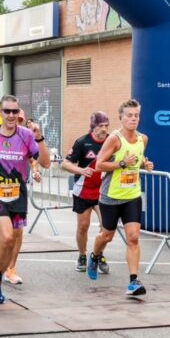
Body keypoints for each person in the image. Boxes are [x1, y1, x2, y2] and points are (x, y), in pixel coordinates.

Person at [0, 95, 50, 304]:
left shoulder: (26, 135)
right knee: (6, 237)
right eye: (7, 111)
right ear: (0, 112)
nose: (11, 115)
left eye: (15, 111)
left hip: (17, 192)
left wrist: (40, 138)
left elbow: (45, 162)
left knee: (12, 236)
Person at [88, 99, 154, 296]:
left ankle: (133, 282)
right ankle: (95, 255)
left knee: (133, 237)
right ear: (121, 118)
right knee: (106, 235)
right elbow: (99, 165)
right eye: (129, 116)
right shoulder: (114, 139)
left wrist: (144, 165)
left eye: (136, 116)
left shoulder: (143, 139)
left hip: (132, 195)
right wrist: (121, 164)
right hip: (111, 195)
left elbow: (138, 158)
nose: (133, 119)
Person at [61, 111, 110, 272]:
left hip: (103, 191)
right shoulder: (82, 142)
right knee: (83, 226)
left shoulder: (112, 141)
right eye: (101, 126)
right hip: (83, 190)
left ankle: (98, 254)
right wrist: (81, 170)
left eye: (106, 125)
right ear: (93, 127)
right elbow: (65, 164)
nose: (104, 129)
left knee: (106, 227)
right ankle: (82, 255)